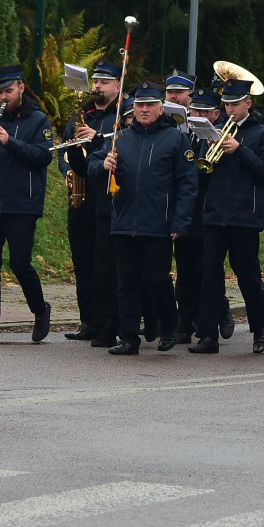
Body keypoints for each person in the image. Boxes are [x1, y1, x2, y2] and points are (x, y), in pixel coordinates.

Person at [88, 82, 198, 355]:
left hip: (158, 223)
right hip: (124, 222)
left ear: (161, 108)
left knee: (157, 279)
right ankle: (128, 338)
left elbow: (188, 184)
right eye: (140, 105)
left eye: (150, 105)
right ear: (133, 109)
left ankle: (170, 325)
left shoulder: (175, 138)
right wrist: (103, 165)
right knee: (126, 282)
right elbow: (91, 166)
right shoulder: (120, 138)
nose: (144, 110)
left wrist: (180, 222)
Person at [0, 65, 54, 344]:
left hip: (22, 204)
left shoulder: (38, 120)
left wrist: (10, 141)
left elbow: (43, 157)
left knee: (20, 263)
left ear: (21, 88)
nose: (3, 97)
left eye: (8, 91)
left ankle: (40, 310)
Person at [189, 78, 264, 354]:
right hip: (214, 215)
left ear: (248, 104)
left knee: (248, 277)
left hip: (244, 216)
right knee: (210, 277)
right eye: (226, 104)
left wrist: (240, 150)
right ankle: (207, 336)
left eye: (235, 104)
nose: (229, 109)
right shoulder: (213, 130)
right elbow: (202, 172)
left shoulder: (260, 133)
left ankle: (260, 329)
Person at [60, 60, 122, 346]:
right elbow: (64, 151)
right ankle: (88, 320)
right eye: (95, 81)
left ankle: (108, 322)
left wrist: (96, 139)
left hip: (107, 199)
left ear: (118, 86)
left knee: (104, 263)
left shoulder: (120, 117)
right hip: (80, 196)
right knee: (82, 262)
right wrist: (68, 171)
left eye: (104, 82)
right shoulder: (80, 116)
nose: (97, 86)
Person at [175, 87, 224, 343]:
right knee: (185, 272)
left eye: (205, 111)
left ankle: (218, 313)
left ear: (216, 114)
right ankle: (184, 323)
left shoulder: (221, 137)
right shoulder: (184, 136)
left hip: (210, 213)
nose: (198, 115)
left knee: (206, 271)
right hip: (187, 212)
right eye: (195, 110)